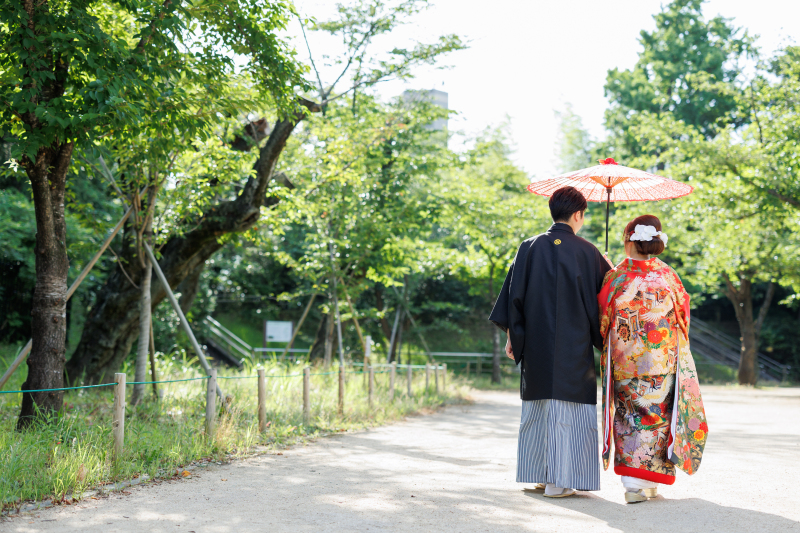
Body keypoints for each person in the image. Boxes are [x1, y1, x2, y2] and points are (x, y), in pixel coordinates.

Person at [489, 186, 612, 498]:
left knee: (540, 408)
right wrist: (609, 269)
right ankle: (561, 481)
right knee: (570, 411)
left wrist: (512, 337)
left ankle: (541, 475)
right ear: (578, 214)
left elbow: (513, 298)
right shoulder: (588, 251)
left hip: (537, 344)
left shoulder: (528, 247)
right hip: (575, 346)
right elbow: (609, 300)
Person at [598, 214, 708, 504]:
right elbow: (684, 315)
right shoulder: (669, 276)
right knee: (657, 420)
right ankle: (650, 481)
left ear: (627, 241)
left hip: (626, 363)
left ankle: (633, 485)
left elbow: (602, 318)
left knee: (630, 419)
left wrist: (610, 274)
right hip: (664, 361)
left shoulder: (616, 277)